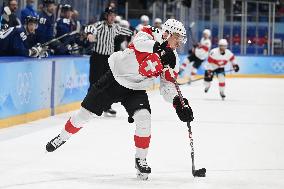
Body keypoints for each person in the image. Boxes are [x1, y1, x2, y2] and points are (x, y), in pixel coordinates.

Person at [45, 19, 193, 180]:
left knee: (144, 118)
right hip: (114, 79)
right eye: (177, 37)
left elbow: (167, 88)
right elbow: (139, 43)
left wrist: (178, 103)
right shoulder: (150, 33)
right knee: (84, 115)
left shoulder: (174, 60)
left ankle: (141, 159)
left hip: (136, 88)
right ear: (167, 33)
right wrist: (160, 50)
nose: (179, 42)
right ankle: (62, 137)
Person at [88, 7, 132, 117]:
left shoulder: (116, 27)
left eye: (114, 15)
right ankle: (89, 107)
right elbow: (90, 28)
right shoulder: (99, 25)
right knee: (94, 82)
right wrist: (89, 34)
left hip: (108, 59)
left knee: (107, 83)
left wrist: (137, 35)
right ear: (106, 16)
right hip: (97, 58)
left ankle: (106, 106)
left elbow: (129, 31)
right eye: (110, 15)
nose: (112, 17)